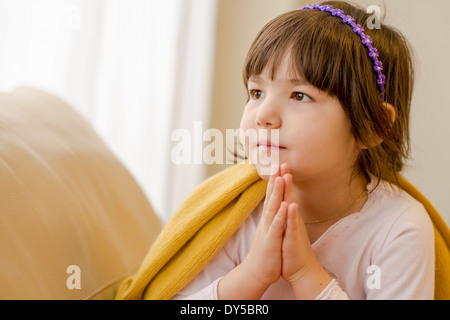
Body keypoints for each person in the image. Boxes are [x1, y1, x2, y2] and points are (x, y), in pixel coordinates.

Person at [116, 1, 435, 300]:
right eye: (256, 92)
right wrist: (252, 275)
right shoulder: (236, 212)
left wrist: (305, 272)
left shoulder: (398, 227)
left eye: (299, 96)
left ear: (372, 125)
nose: (264, 114)